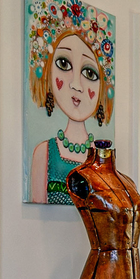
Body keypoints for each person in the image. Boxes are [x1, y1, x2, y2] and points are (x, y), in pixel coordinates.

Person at [28, 28, 113, 204]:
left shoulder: (103, 159)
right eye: (64, 64)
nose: (76, 85)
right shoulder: (44, 152)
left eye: (89, 73)